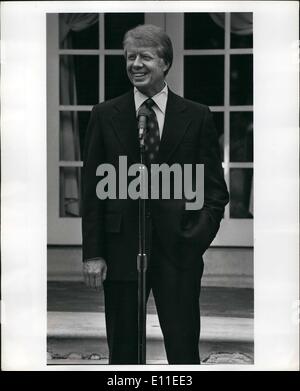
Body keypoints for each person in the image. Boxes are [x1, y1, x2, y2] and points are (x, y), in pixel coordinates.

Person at [81, 24, 229, 364]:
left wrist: (196, 236)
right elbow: (92, 191)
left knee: (182, 348)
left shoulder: (197, 116)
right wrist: (93, 253)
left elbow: (214, 192)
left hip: (179, 252)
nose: (135, 64)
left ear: (165, 63)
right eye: (130, 57)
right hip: (120, 251)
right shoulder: (104, 116)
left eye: (145, 57)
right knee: (123, 352)